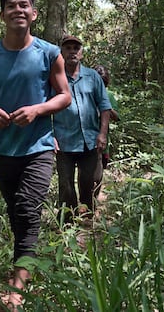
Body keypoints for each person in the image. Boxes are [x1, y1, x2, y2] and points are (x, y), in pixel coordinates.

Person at [0, 0, 71, 309]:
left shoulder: (48, 52)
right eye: (12, 6)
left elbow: (64, 95)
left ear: (34, 13)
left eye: (24, 5)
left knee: (28, 209)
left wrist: (37, 110)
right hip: (4, 149)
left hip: (39, 147)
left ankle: (17, 287)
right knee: (17, 212)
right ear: (2, 15)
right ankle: (26, 261)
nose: (18, 10)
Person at [53, 35, 112, 225]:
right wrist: (50, 136)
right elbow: (45, 108)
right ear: (61, 52)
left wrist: (102, 134)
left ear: (81, 53)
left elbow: (104, 106)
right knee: (66, 184)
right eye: (68, 48)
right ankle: (67, 221)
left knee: (90, 180)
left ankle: (87, 216)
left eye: (75, 48)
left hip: (90, 140)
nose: (72, 51)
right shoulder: (54, 77)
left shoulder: (92, 76)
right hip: (64, 141)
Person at [93, 64, 119, 170]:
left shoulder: (109, 95)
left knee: (99, 171)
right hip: (86, 141)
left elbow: (117, 118)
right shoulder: (86, 94)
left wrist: (106, 106)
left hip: (102, 140)